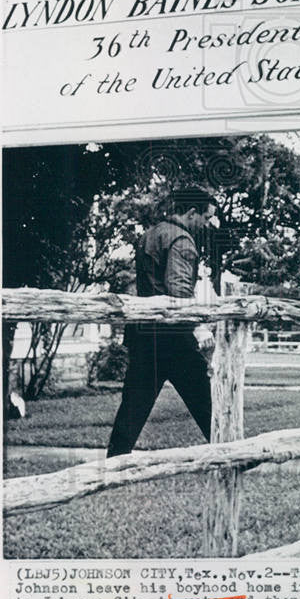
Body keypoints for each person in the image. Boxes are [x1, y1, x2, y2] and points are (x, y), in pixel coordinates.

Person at [106, 188, 219, 458]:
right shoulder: (182, 240)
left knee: (134, 404)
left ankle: (115, 461)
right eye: (206, 217)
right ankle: (232, 452)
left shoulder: (151, 234)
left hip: (145, 333)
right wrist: (198, 326)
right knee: (206, 401)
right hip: (173, 335)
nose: (206, 224)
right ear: (192, 213)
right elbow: (178, 291)